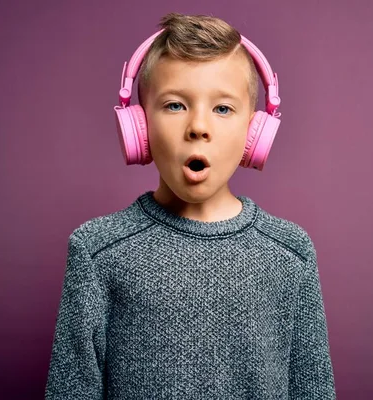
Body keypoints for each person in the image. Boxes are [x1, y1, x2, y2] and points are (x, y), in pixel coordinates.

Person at [45, 12, 336, 399]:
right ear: (140, 125)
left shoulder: (290, 253)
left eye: (222, 108)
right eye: (175, 105)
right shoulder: (97, 250)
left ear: (254, 132)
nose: (198, 126)